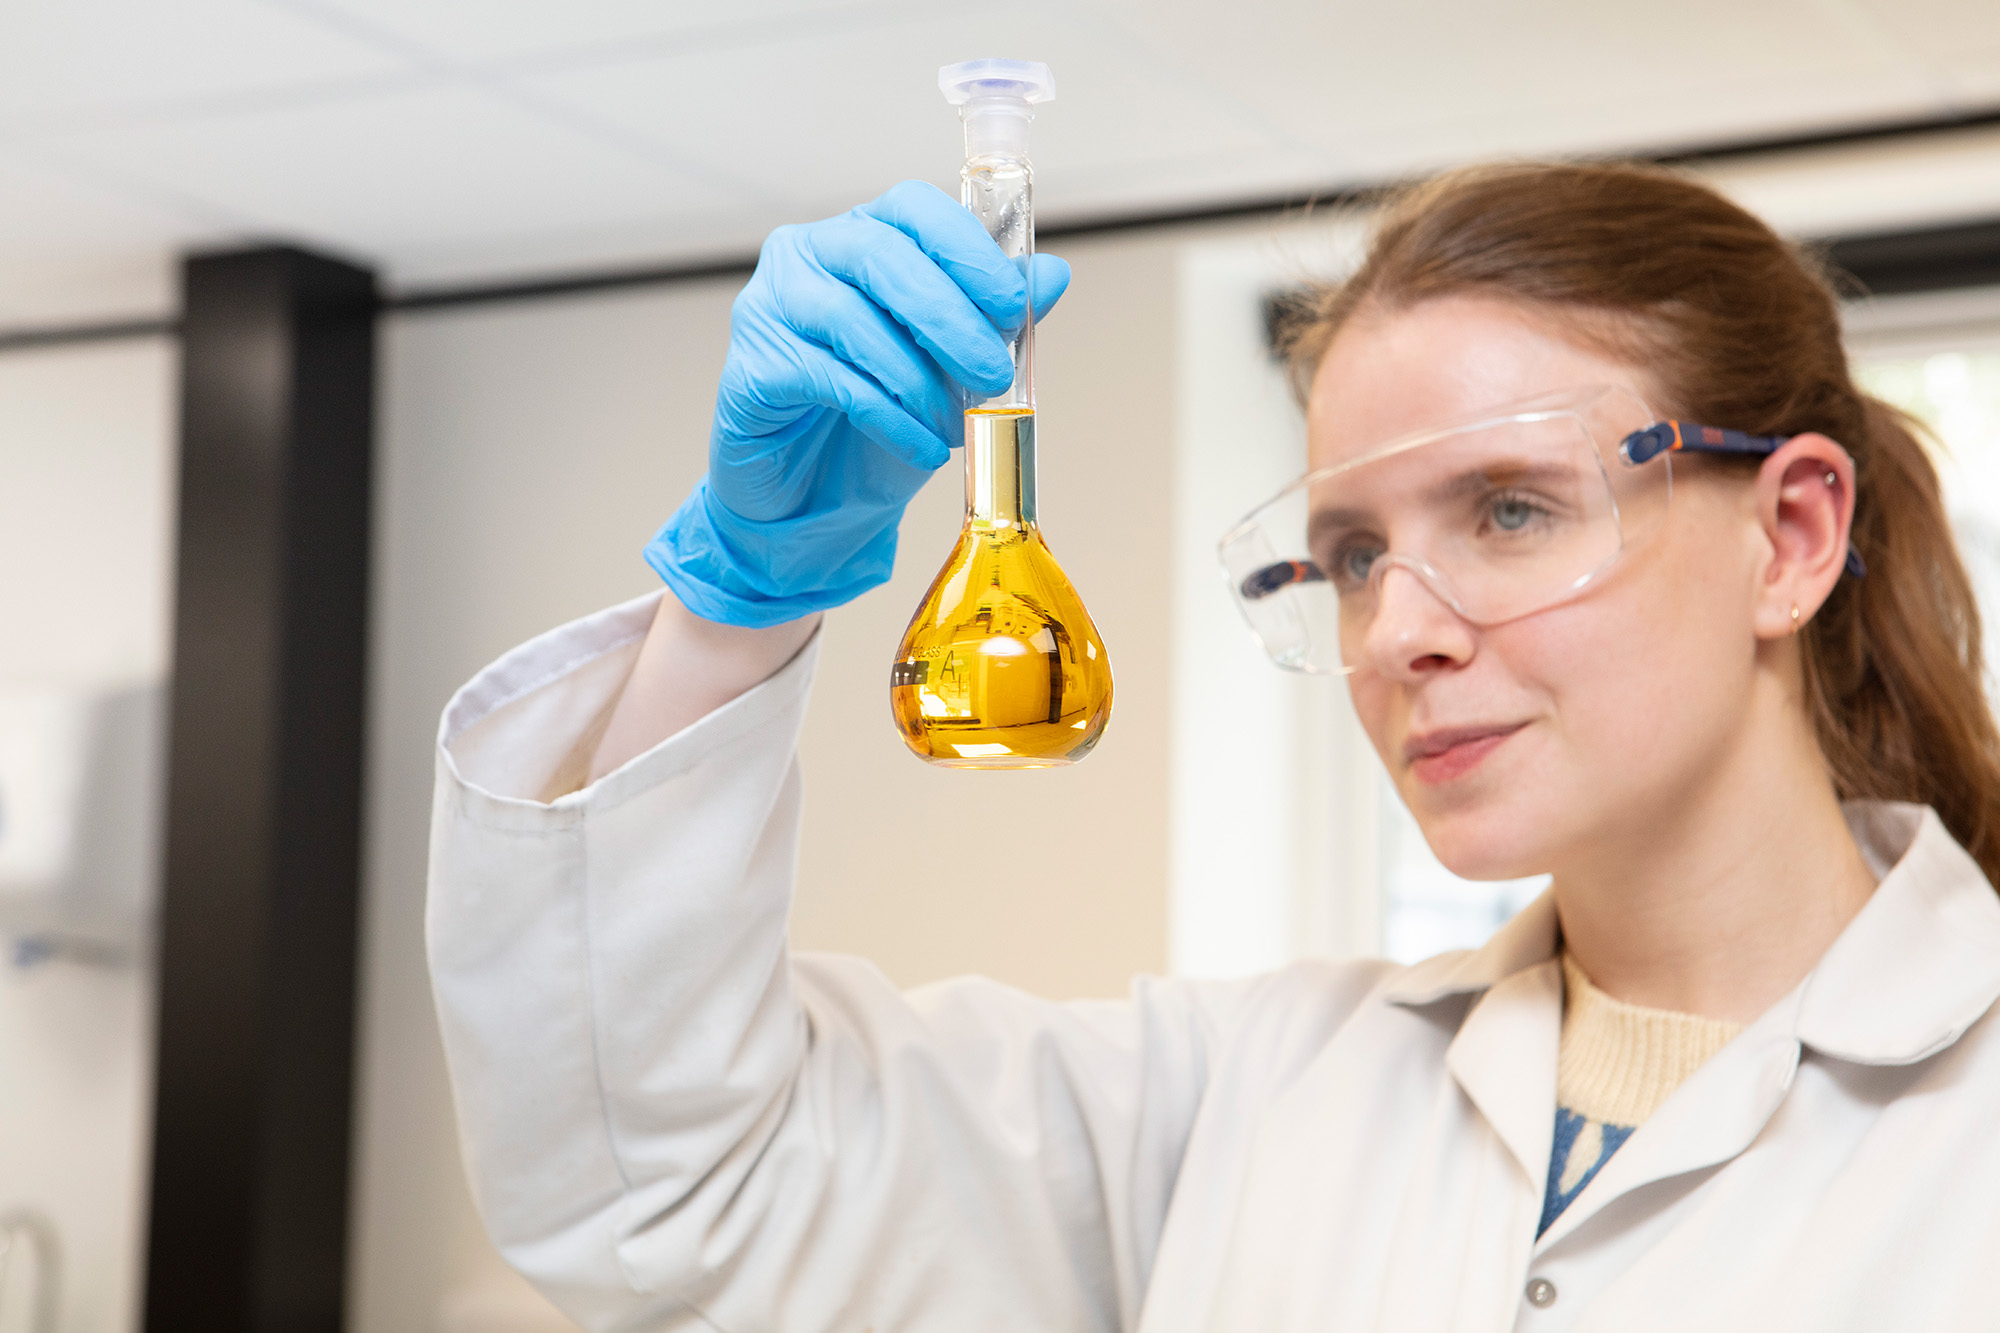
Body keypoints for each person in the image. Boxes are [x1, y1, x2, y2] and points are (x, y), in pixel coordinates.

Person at [426, 164, 2000, 1330]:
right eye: (1355, 555)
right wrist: (735, 605)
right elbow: (668, 1199)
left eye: (1512, 509)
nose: (1397, 632)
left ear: (1792, 534)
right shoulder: (1244, 1100)